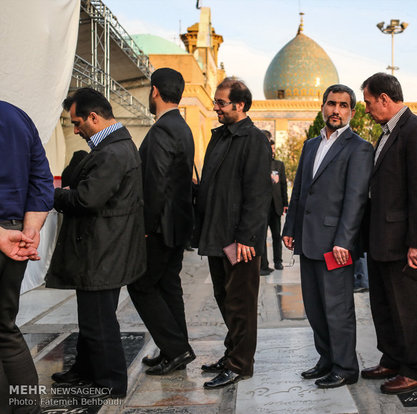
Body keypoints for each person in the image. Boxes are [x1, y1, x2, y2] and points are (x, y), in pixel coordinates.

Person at [46, 88, 146, 398]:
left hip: (103, 251)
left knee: (100, 322)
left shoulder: (113, 152)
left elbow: (87, 198)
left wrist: (51, 195)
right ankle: (85, 372)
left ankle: (111, 384)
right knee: (91, 319)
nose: (75, 130)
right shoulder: (112, 147)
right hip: (102, 249)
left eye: (77, 123)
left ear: (94, 117)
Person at [282, 84, 373, 389]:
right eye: (331, 104)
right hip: (309, 241)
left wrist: (344, 241)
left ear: (352, 111)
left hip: (336, 244)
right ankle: (326, 358)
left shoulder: (358, 147)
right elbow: (300, 192)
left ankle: (346, 367)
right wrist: (290, 228)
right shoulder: (310, 146)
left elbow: (356, 198)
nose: (336, 110)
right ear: (322, 107)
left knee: (337, 308)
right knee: (315, 306)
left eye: (343, 105)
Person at [360, 73, 417, 394]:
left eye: (367, 102)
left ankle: (415, 368)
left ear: (383, 98)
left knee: (407, 307)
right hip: (381, 239)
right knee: (384, 304)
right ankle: (392, 358)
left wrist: (416, 245)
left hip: (404, 242)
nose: (366, 109)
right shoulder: (388, 133)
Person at [193, 77, 271, 388]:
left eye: (221, 103)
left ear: (239, 105)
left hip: (238, 241)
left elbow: (257, 194)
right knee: (224, 298)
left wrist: (246, 239)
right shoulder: (221, 137)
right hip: (218, 235)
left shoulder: (253, 139)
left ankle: (240, 364)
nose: (215, 108)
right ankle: (231, 354)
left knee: (240, 303)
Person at [127, 68, 196, 375]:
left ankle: (176, 348)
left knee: (140, 285)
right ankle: (174, 350)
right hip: (177, 225)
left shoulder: (162, 129)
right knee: (168, 287)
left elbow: (155, 182)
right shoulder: (181, 126)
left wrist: (143, 226)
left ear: (154, 90)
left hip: (160, 227)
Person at [0, 100, 54, 413]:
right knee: (6, 327)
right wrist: (30, 230)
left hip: (8, 236)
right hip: (16, 235)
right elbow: (41, 179)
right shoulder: (17, 116)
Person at [260, 132, 288, 275]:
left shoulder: (279, 165)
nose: (272, 151)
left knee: (277, 236)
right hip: (262, 208)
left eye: (273, 149)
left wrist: (285, 203)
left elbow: (283, 184)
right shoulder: (259, 164)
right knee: (262, 237)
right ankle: (263, 263)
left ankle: (278, 261)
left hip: (276, 207)